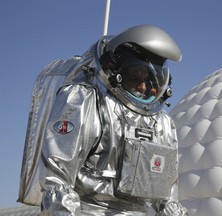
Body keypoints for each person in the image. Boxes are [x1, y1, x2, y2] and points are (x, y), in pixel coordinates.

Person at [18, 25, 188, 216]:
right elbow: (57, 179)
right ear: (115, 71)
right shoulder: (85, 101)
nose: (142, 86)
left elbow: (166, 195)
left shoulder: (163, 123)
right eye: (134, 77)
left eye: (149, 80)